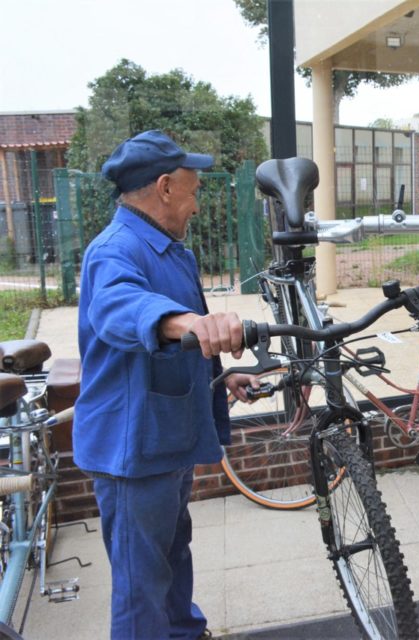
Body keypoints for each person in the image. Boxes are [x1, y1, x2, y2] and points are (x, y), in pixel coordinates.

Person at [73, 130, 259, 639]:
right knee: (141, 586)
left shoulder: (173, 252)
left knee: (175, 557)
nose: (197, 205)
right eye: (194, 191)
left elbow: (183, 337)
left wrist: (222, 370)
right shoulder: (115, 249)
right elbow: (120, 309)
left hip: (168, 440)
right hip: (133, 451)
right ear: (165, 188)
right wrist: (195, 324)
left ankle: (185, 632)